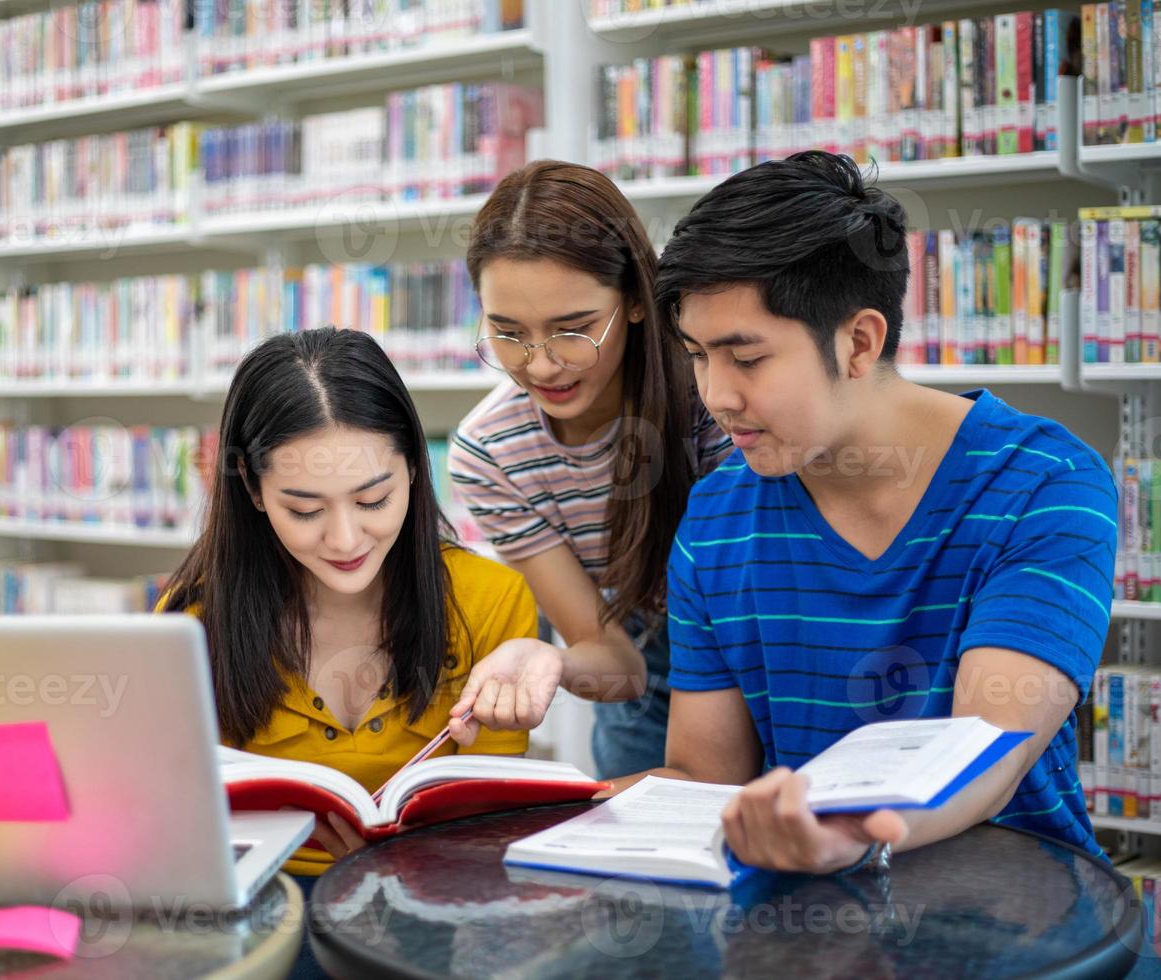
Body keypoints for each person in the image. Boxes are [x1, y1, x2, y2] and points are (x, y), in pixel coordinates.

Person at [623, 150, 1116, 871]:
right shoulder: (718, 514)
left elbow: (986, 748)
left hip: (1021, 922)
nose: (715, 395)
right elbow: (706, 779)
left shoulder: (1045, 483)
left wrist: (853, 834)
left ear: (859, 342)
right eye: (697, 355)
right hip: (801, 919)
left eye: (746, 358)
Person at [158, 326, 536, 877]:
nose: (345, 540)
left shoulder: (490, 600)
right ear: (253, 489)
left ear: (414, 466)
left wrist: (402, 866)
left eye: (373, 500)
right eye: (306, 511)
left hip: (434, 891)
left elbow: (489, 830)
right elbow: (176, 816)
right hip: (260, 893)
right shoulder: (192, 621)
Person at [445, 160, 730, 778]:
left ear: (633, 301)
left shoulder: (714, 400)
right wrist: (552, 661)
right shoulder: (490, 450)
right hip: (645, 662)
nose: (541, 365)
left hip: (757, 647)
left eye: (572, 330)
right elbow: (615, 663)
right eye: (508, 333)